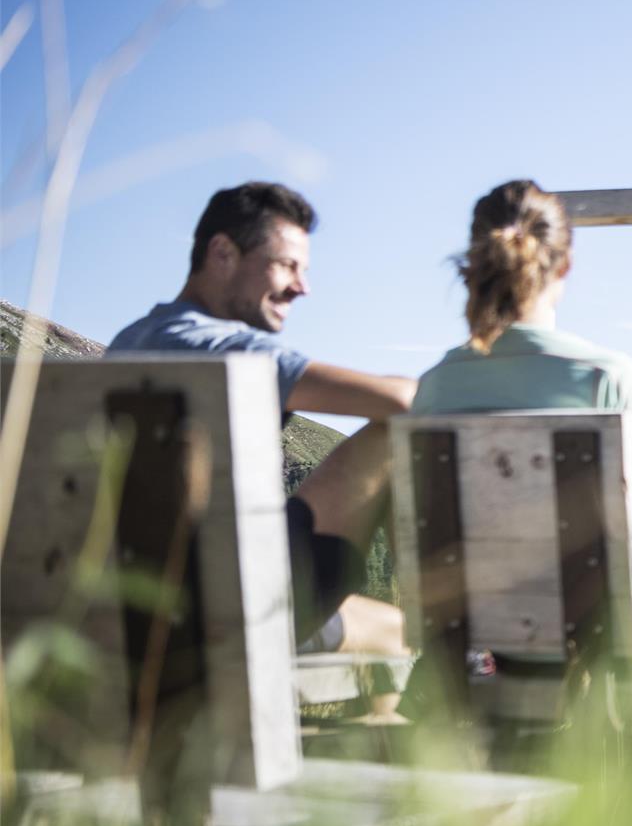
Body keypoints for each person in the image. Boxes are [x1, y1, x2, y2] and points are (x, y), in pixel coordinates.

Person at [109, 182, 414, 655]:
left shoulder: (128, 342)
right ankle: (454, 643)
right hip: (235, 609)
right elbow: (401, 401)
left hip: (130, 610)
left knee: (395, 628)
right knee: (390, 437)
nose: (302, 286)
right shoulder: (228, 348)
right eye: (287, 265)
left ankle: (412, 681)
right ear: (222, 252)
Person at [414, 180, 632, 692]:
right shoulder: (606, 377)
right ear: (564, 266)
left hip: (470, 643)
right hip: (593, 648)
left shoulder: (434, 386)